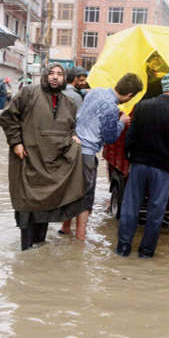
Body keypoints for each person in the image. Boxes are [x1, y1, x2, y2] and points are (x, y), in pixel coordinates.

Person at [0, 63, 85, 251]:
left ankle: (37, 250)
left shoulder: (69, 103)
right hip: (27, 160)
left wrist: (73, 138)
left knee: (46, 207)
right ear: (45, 75)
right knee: (27, 207)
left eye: (59, 74)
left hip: (52, 166)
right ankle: (25, 253)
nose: (55, 77)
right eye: (51, 73)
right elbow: (7, 118)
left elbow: (68, 128)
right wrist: (16, 142)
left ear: (64, 78)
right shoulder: (28, 93)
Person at [60, 73, 143, 239]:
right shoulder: (112, 108)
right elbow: (110, 137)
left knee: (70, 190)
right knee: (85, 195)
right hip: (88, 154)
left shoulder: (95, 92)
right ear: (130, 96)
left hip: (72, 149)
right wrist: (122, 122)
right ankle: (80, 237)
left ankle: (65, 228)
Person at [116, 73, 169, 258]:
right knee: (155, 212)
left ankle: (123, 249)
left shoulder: (142, 106)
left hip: (139, 165)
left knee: (130, 208)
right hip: (162, 170)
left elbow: (129, 137)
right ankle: (146, 253)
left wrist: (130, 159)